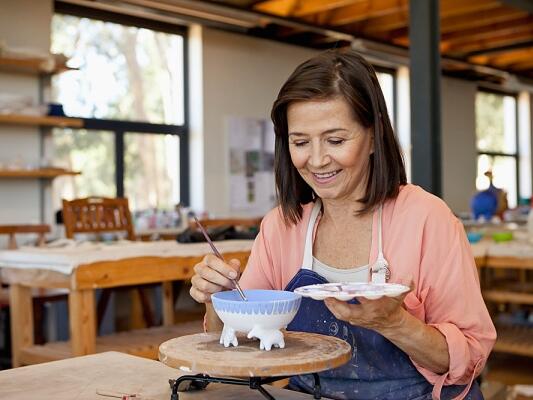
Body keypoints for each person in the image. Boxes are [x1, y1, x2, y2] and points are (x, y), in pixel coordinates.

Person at [190, 49, 496, 400]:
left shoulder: (427, 218)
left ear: (372, 136)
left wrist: (394, 323)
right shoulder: (281, 227)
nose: (317, 160)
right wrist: (218, 301)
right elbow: (237, 341)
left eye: (336, 140)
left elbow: (471, 358)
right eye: (300, 142)